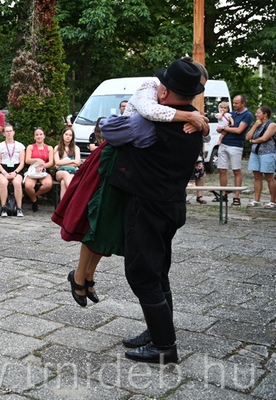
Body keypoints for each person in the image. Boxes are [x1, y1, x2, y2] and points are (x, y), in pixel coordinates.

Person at [64, 58, 210, 308]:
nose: (191, 95)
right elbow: (147, 114)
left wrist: (199, 123)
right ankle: (79, 275)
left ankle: (87, 275)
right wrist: (188, 115)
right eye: (191, 88)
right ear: (168, 87)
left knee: (110, 227)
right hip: (113, 164)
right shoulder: (149, 89)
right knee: (98, 221)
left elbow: (193, 132)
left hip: (134, 175)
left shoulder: (179, 111)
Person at [101, 59, 205, 364]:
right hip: (172, 206)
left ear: (166, 93)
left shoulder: (145, 123)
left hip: (146, 206)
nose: (156, 87)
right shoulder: (195, 123)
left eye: (161, 85)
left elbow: (109, 130)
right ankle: (158, 329)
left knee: (143, 274)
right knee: (158, 271)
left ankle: (164, 346)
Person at [216, 95, 253, 206]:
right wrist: (221, 128)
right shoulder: (231, 114)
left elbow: (239, 130)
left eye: (236, 103)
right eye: (233, 102)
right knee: (222, 170)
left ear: (243, 103)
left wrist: (224, 128)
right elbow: (221, 126)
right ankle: (223, 194)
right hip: (224, 143)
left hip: (235, 145)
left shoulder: (247, 115)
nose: (234, 105)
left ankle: (237, 196)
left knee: (236, 170)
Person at [246, 106, 276, 208]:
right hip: (255, 153)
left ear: (265, 114)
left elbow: (264, 138)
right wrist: (255, 126)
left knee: (269, 177)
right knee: (257, 177)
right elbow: (247, 137)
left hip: (268, 153)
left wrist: (253, 141)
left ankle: (273, 201)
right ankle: (256, 200)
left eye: (258, 113)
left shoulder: (271, 125)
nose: (256, 114)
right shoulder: (257, 125)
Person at [0, 125, 25, 217]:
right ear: (4, 134)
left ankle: (19, 208)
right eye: (7, 131)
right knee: (4, 183)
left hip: (16, 169)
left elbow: (22, 163)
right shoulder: (0, 146)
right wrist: (4, 173)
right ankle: (4, 208)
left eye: (10, 131)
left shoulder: (20, 146)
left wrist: (15, 172)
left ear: (14, 132)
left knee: (17, 183)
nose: (9, 133)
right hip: (3, 169)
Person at [24, 127, 54, 212]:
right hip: (33, 170)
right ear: (34, 137)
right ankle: (34, 201)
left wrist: (43, 166)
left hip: (44, 170)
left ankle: (34, 196)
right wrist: (37, 160)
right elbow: (27, 160)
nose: (39, 136)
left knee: (48, 184)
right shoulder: (30, 147)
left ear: (44, 136)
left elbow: (51, 162)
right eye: (37, 135)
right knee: (28, 186)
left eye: (41, 134)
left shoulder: (49, 148)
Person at [54, 127, 81, 196]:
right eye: (66, 134)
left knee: (63, 183)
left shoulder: (76, 148)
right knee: (65, 174)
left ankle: (63, 203)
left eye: (70, 135)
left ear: (72, 137)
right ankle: (74, 194)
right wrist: (73, 161)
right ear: (63, 135)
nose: (68, 136)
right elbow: (57, 162)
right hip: (60, 172)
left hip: (72, 171)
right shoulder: (57, 147)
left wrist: (62, 163)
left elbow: (78, 163)